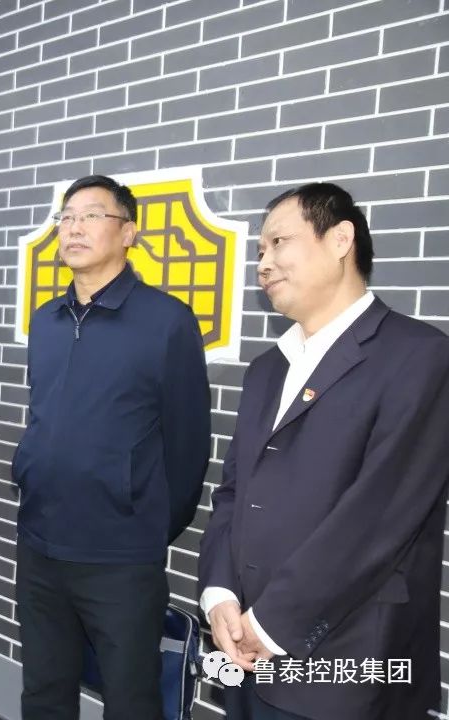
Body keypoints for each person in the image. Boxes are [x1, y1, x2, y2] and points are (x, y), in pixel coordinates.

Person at [199, 183, 449, 720]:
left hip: (345, 664)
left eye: (279, 242)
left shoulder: (419, 357)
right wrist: (219, 594)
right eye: (259, 251)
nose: (263, 264)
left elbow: (379, 516)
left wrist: (271, 624)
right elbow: (235, 491)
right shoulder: (267, 369)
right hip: (244, 651)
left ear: (340, 240)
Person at [12, 175, 211, 720]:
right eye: (67, 217)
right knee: (43, 692)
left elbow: (188, 445)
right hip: (40, 544)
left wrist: (142, 519)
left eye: (92, 215)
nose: (74, 227)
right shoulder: (47, 320)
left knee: (130, 700)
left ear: (128, 233)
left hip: (120, 557)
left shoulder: (166, 321)